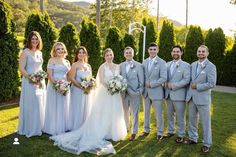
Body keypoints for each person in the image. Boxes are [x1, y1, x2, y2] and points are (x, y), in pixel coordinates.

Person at [50, 48, 127, 155]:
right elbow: (99, 80)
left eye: (111, 54)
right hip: (96, 91)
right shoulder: (98, 66)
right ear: (104, 57)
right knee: (88, 109)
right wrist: (84, 86)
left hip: (112, 93)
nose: (109, 56)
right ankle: (77, 126)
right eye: (107, 55)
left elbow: (93, 79)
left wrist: (116, 86)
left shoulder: (115, 66)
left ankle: (113, 131)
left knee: (114, 112)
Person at [185, 45, 217, 153]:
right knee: (192, 120)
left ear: (207, 53)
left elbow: (212, 83)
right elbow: (189, 80)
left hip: (203, 99)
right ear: (197, 53)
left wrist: (198, 86)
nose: (201, 53)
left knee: (205, 123)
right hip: (192, 98)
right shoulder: (193, 65)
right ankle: (193, 138)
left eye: (203, 51)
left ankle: (207, 143)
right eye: (199, 51)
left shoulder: (211, 66)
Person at [18, 31, 46, 137]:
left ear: (39, 40)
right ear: (29, 40)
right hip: (29, 81)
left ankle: (40, 126)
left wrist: (41, 78)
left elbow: (40, 68)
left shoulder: (40, 52)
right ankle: (30, 128)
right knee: (32, 104)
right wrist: (32, 79)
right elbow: (21, 69)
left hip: (40, 81)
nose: (34, 41)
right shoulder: (25, 52)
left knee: (40, 103)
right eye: (32, 39)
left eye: (36, 39)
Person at [140, 42, 167, 141]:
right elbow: (142, 75)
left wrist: (152, 84)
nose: (152, 51)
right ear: (148, 50)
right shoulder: (144, 61)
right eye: (150, 49)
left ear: (157, 50)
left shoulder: (162, 62)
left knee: (158, 113)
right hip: (146, 93)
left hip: (157, 92)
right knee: (146, 112)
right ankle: (146, 129)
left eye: (154, 49)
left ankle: (160, 132)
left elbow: (164, 78)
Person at [43, 42, 71, 135]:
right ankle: (53, 127)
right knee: (54, 105)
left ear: (64, 50)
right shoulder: (51, 60)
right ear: (54, 51)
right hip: (54, 86)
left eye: (62, 48)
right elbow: (49, 75)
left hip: (65, 87)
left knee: (63, 106)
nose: (60, 50)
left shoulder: (67, 62)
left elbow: (68, 76)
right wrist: (57, 86)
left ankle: (63, 126)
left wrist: (66, 86)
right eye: (58, 49)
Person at [164, 45, 190, 143]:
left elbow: (187, 80)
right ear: (171, 53)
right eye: (174, 51)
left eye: (177, 51)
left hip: (179, 95)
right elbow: (164, 77)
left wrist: (173, 85)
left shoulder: (186, 65)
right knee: (170, 114)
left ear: (181, 53)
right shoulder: (167, 64)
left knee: (180, 116)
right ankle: (171, 131)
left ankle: (181, 134)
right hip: (168, 94)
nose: (175, 53)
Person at [120, 46, 144, 141]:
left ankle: (134, 132)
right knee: (125, 112)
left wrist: (139, 92)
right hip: (123, 93)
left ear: (133, 54)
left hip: (135, 93)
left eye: (130, 52)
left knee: (135, 113)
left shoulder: (138, 65)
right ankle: (126, 128)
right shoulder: (120, 65)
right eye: (127, 53)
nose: (128, 54)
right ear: (124, 54)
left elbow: (141, 81)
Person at [68, 46, 92, 131]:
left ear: (86, 54)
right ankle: (76, 126)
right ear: (77, 54)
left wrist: (90, 85)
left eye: (83, 52)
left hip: (87, 91)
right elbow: (71, 78)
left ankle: (85, 125)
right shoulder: (75, 65)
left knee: (86, 107)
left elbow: (90, 78)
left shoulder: (88, 65)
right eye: (79, 52)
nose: (81, 54)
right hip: (77, 90)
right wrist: (81, 87)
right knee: (78, 107)